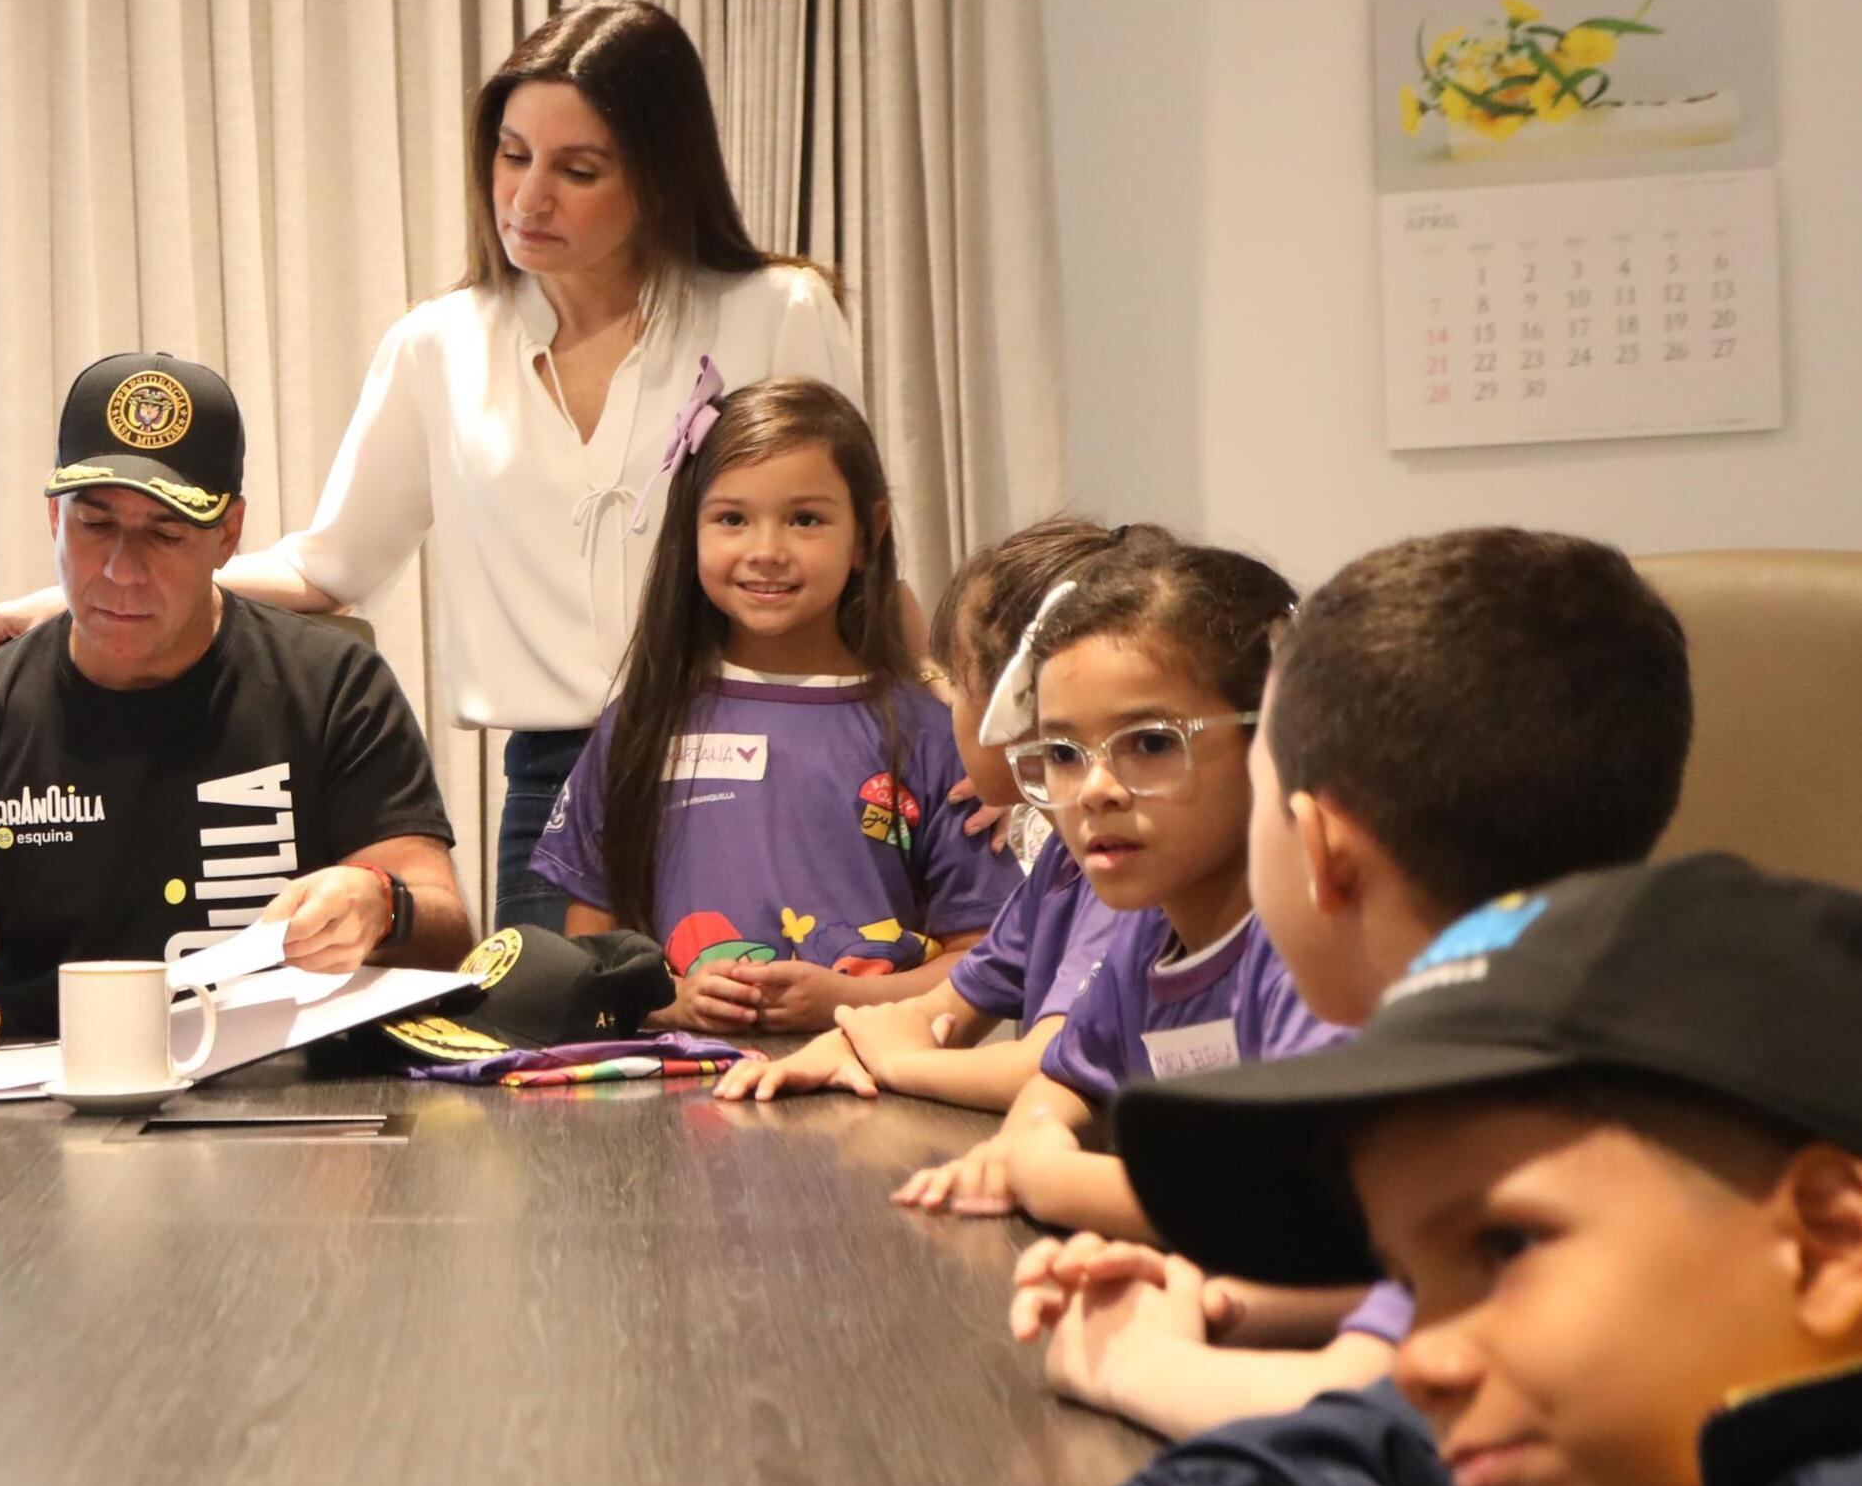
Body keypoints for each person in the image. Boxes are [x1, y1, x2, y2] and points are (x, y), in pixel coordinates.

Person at [899, 855, 1862, 1486]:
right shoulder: (1647, 1456)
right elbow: (1386, 1454)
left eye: (1504, 1246)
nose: (1418, 1360)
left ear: (1827, 1245)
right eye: (1408, 1275)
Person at [0, 0, 924, 930]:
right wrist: (71, 602)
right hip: (556, 780)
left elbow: (862, 556)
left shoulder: (774, 309)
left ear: (658, 176)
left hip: (759, 746)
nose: (528, 197)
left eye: (577, 169)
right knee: (552, 1075)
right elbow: (324, 567)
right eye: (511, 156)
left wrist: (948, 730)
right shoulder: (440, 345)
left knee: (771, 1046)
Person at [1007, 529, 1693, 1438]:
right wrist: (1209, 1302)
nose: (1093, 791)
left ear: (1318, 850)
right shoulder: (1603, 1012)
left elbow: (1373, 1407)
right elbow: (1398, 1290)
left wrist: (1126, 1359)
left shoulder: (1481, 1104)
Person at [0, 352, 471, 1051]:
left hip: (287, 1097)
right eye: (95, 525)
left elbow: (448, 929)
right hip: (49, 1095)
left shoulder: (333, 686)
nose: (123, 570)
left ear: (228, 534)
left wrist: (380, 903)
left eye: (165, 533)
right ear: (53, 518)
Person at [529, 375, 1014, 1037]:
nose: (765, 551)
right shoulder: (639, 725)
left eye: (804, 519)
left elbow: (986, 965)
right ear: (689, 525)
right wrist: (669, 1001)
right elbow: (592, 953)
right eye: (731, 518)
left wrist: (847, 1002)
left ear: (866, 534)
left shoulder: (930, 736)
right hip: (667, 1113)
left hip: (873, 1109)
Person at [891, 540, 1341, 1238]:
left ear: (1274, 741)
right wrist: (1024, 1137)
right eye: (1063, 754)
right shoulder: (1142, 934)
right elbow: (1068, 1075)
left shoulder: (1314, 955)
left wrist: (1046, 1176)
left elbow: (1282, 1208)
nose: (1094, 790)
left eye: (1152, 743)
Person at [720, 515, 1166, 1105]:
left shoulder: (1134, 875)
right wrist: (850, 1043)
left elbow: (1051, 1069)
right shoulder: (1064, 857)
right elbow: (949, 1007)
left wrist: (899, 1062)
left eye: (955, 681)